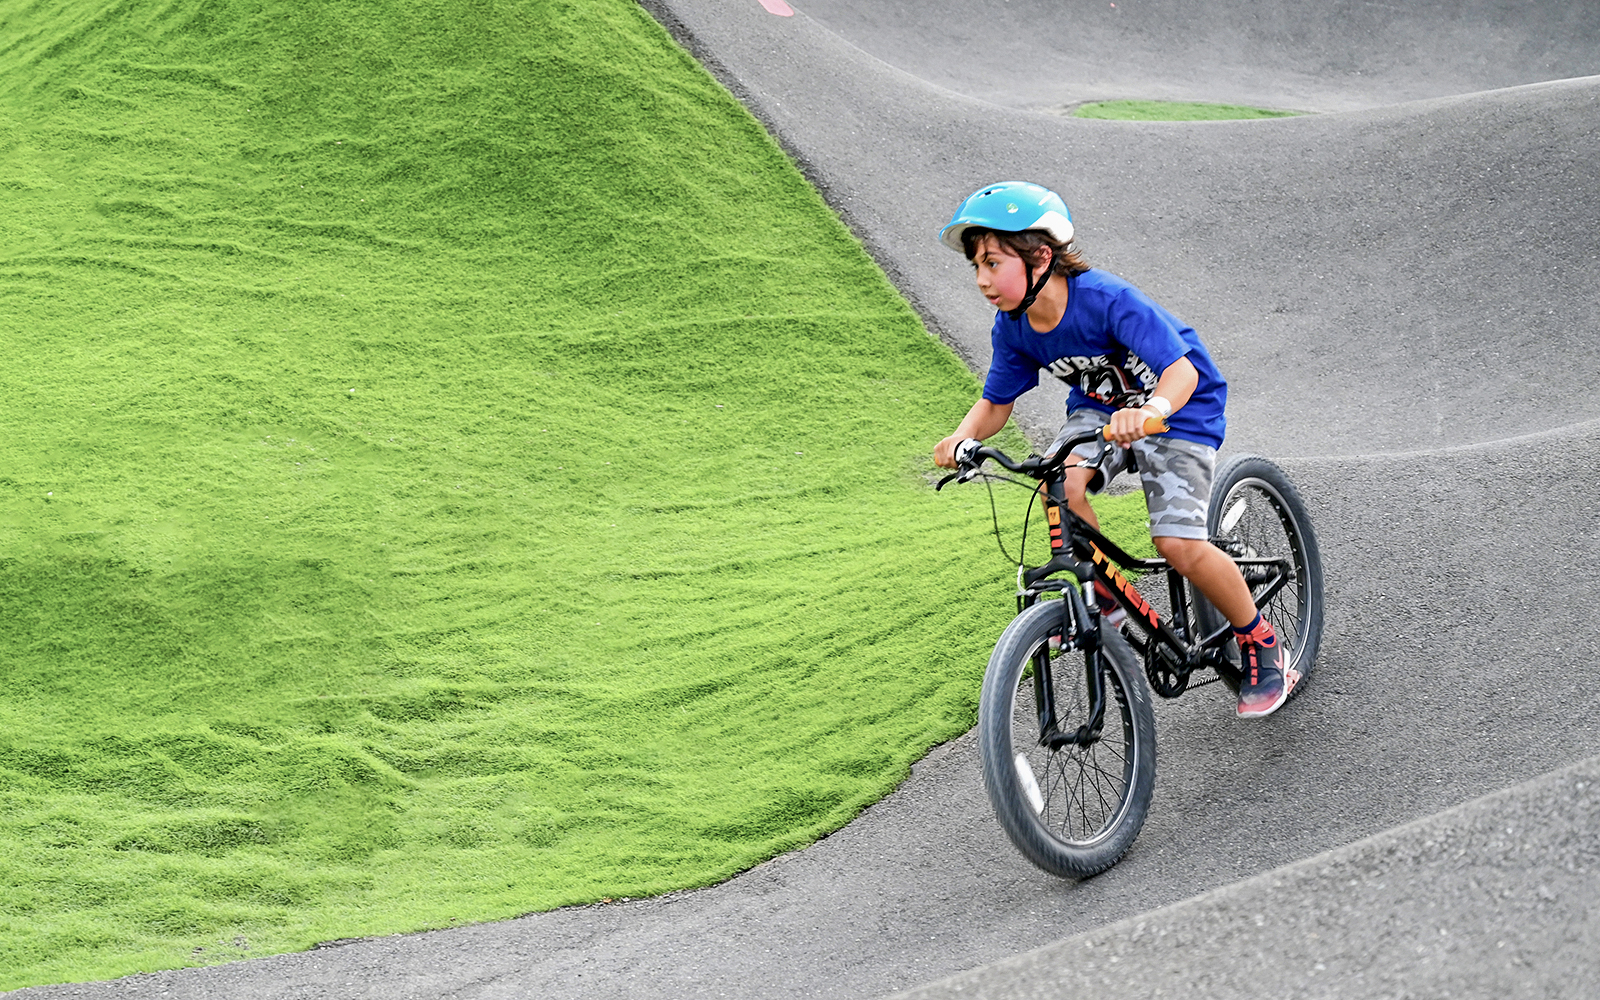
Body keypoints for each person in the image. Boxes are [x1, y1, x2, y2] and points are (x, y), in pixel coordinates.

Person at [931, 181, 1294, 718]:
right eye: (976, 267)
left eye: (993, 262)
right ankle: (1103, 595)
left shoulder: (1106, 300)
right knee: (1059, 483)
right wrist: (962, 438)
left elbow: (1181, 370)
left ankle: (1261, 641)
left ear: (1040, 258)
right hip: (1102, 413)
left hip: (1179, 409)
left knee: (1177, 544)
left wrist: (1153, 413)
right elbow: (995, 403)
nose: (983, 279)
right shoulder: (1013, 327)